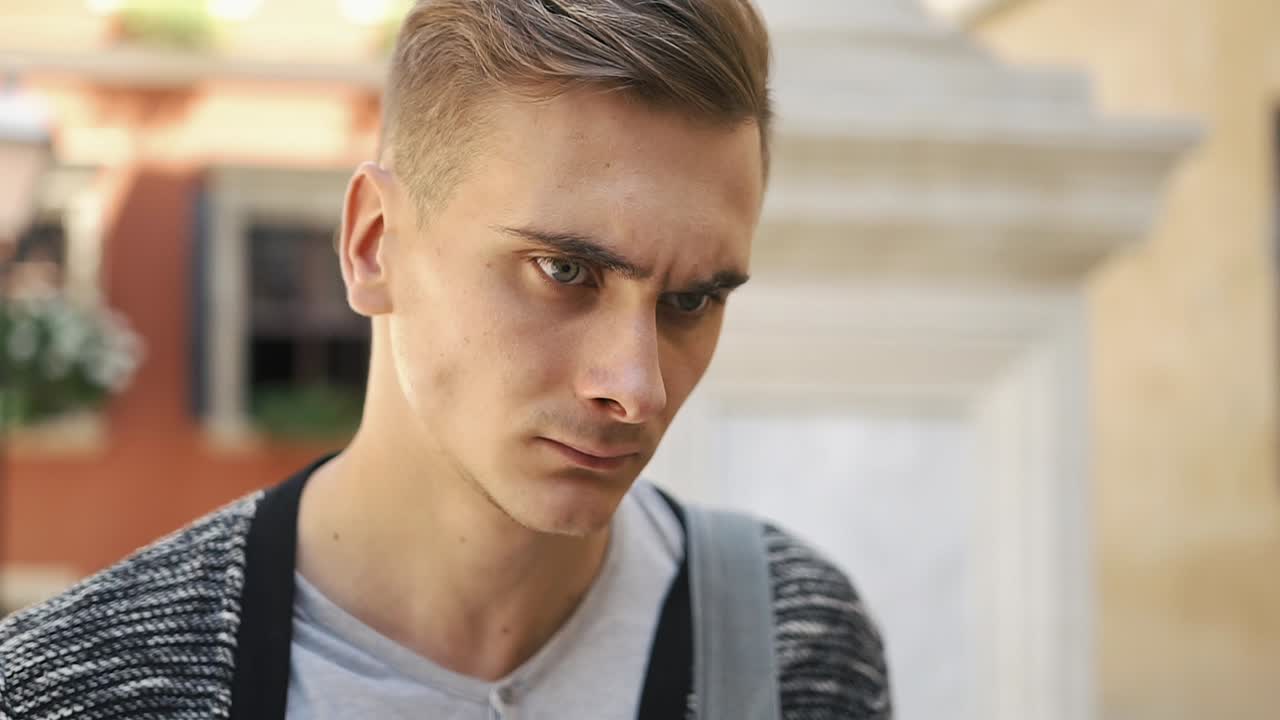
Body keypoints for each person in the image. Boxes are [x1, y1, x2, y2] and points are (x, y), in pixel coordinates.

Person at [0, 1, 891, 718]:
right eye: (565, 271)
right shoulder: (77, 689)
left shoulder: (792, 640)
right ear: (373, 243)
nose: (635, 387)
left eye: (691, 300)